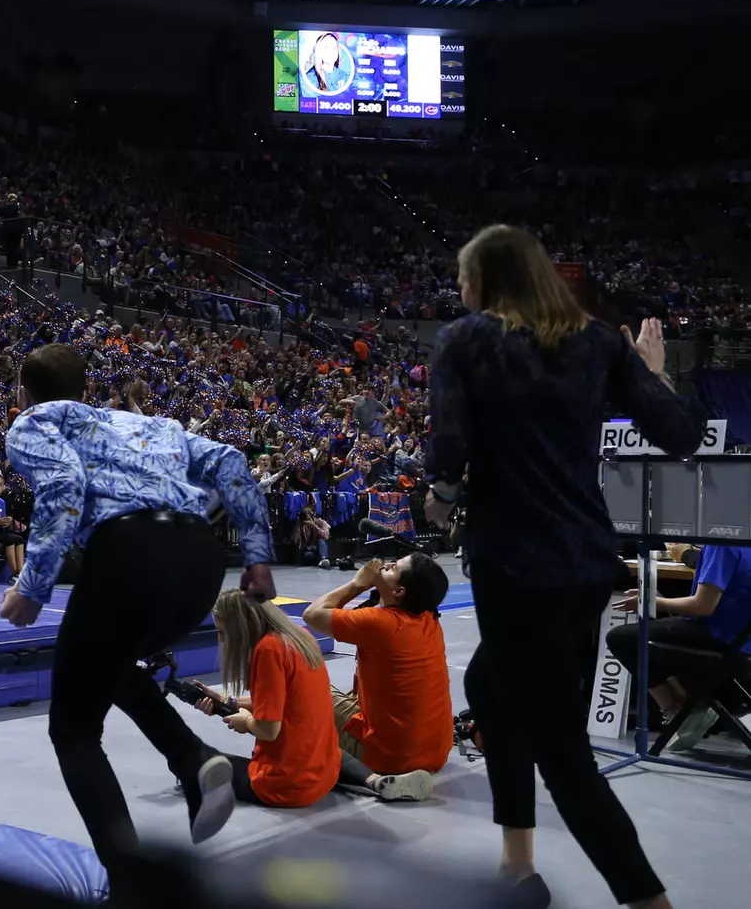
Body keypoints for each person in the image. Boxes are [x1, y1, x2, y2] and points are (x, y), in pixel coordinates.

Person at [426, 223, 704, 909]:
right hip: (583, 562)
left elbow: (446, 453)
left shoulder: (463, 339)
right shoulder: (598, 340)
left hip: (511, 565)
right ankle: (516, 865)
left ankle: (648, 902)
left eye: (463, 276)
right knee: (489, 687)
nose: (458, 289)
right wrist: (654, 370)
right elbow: (679, 433)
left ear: (484, 279)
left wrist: (438, 497)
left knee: (562, 753)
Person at [0, 343, 277, 893]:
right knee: (105, 659)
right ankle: (193, 757)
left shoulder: (34, 420)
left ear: (24, 393)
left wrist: (33, 584)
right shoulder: (149, 424)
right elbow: (231, 464)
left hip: (130, 553)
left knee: (74, 730)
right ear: (87, 391)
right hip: (200, 561)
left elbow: (62, 485)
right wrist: (258, 556)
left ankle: (128, 884)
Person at [195, 590, 434, 807]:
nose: (221, 638)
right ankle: (374, 781)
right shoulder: (298, 637)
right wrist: (230, 702)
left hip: (288, 785)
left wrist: (245, 721)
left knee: (192, 763)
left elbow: (268, 730)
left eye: (222, 631)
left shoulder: (266, 651)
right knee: (329, 748)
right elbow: (278, 700)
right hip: (324, 769)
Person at [301, 556, 454, 777]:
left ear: (400, 591)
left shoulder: (379, 623)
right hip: (436, 754)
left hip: (390, 759)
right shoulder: (430, 618)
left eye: (394, 567)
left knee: (302, 686)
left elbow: (312, 615)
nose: (388, 564)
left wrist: (358, 584)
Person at [608, 542, 751, 753]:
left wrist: (651, 602)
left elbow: (702, 606)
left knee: (620, 639)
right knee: (661, 620)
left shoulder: (721, 545)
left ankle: (677, 712)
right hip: (740, 638)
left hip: (725, 642)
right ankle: (690, 706)